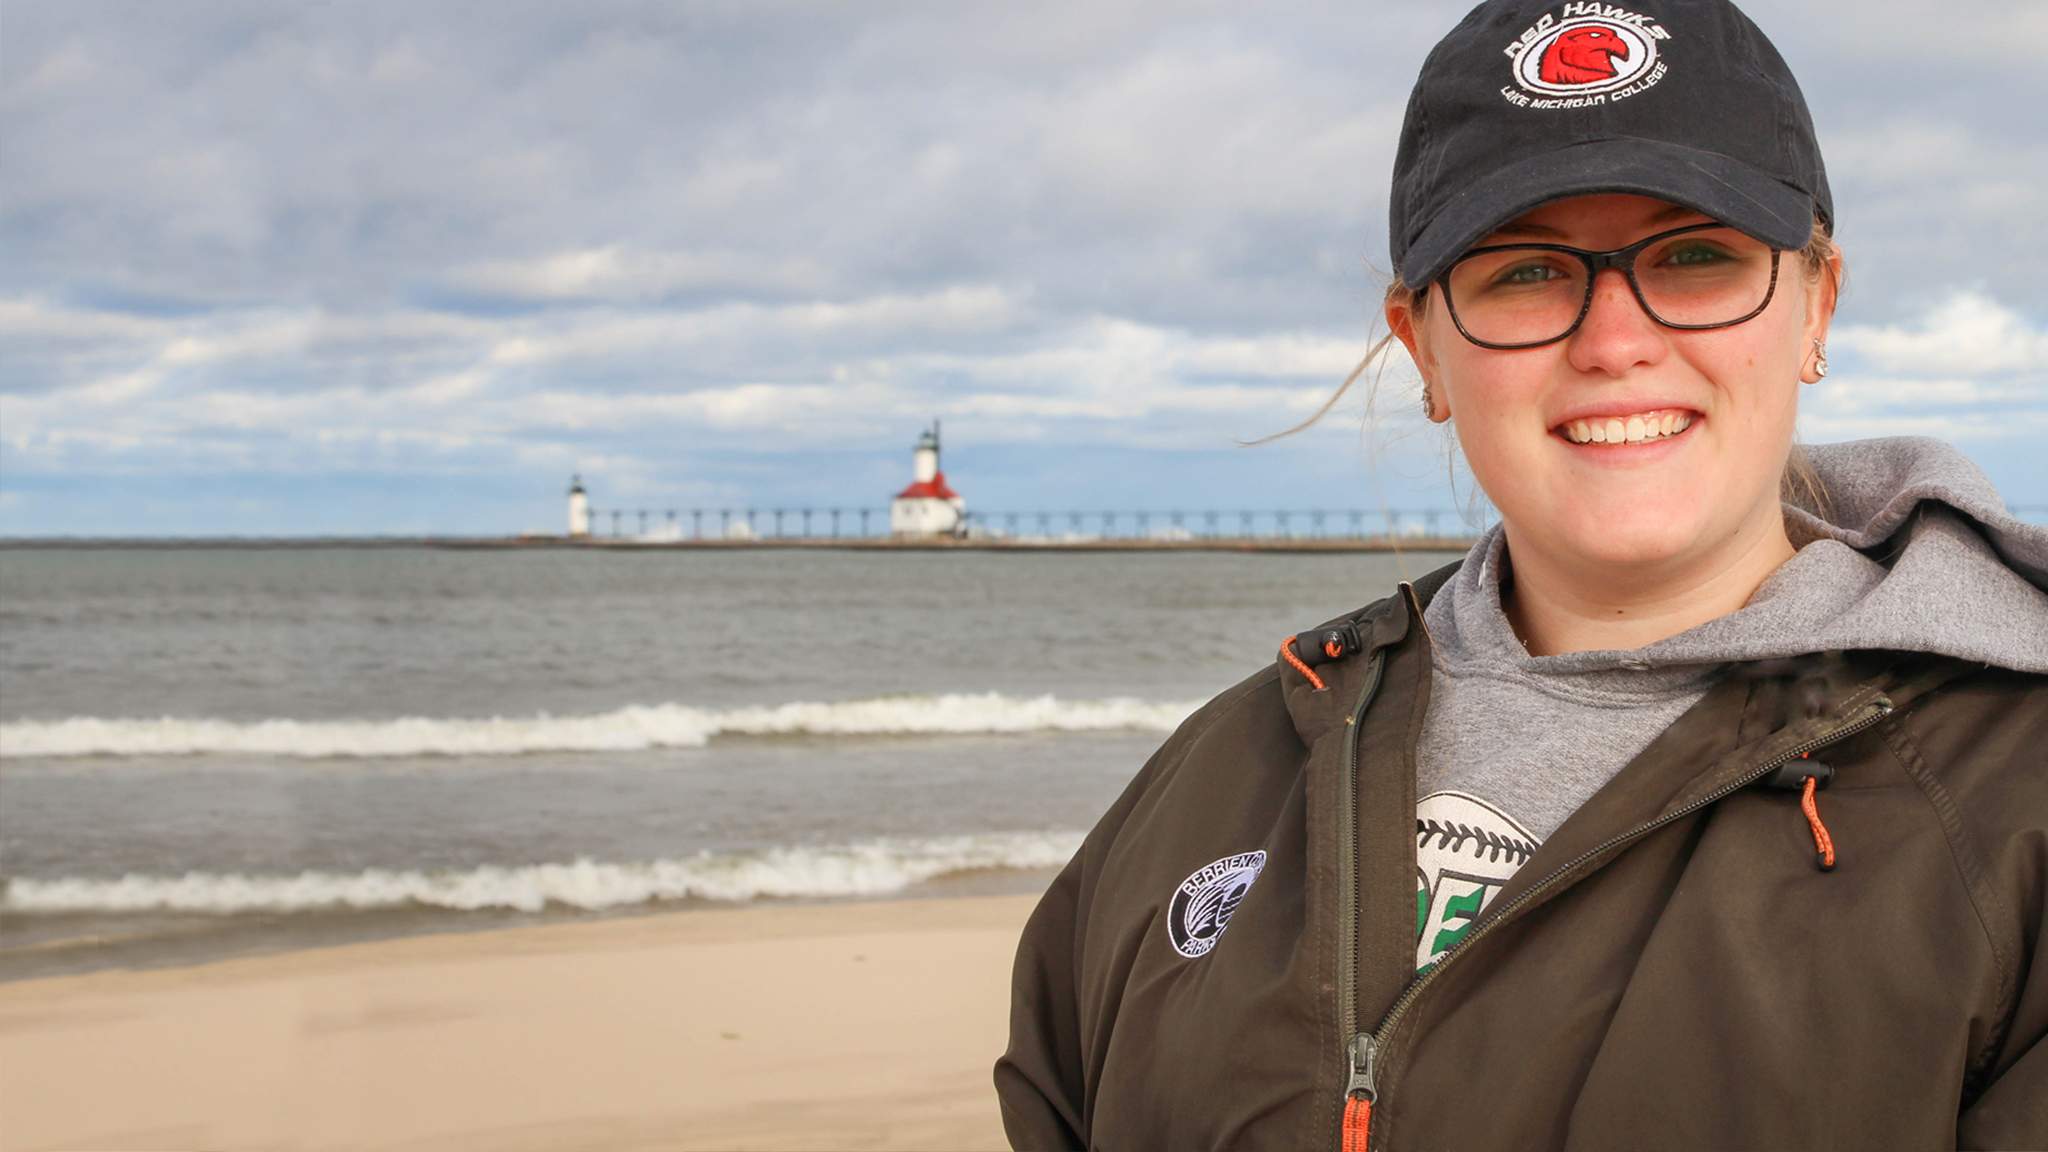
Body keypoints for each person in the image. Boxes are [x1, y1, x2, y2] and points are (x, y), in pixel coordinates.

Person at [992, 0, 2048, 1148]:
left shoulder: (2012, 798)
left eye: (1694, 256)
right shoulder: (1216, 778)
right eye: (1524, 272)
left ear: (1813, 304)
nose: (1611, 339)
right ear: (1422, 348)